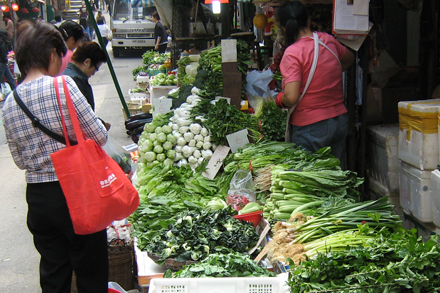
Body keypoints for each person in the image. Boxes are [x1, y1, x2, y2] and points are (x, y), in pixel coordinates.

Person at [2, 20, 108, 292]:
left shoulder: (11, 101)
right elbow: (99, 136)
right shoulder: (64, 86)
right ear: (51, 54)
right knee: (90, 272)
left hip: (39, 198)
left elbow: (20, 160)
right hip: (77, 192)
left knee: (53, 271)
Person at [275, 1, 354, 168]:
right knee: (335, 178)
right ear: (308, 21)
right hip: (338, 121)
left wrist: (279, 100)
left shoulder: (293, 53)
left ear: (284, 28)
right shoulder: (327, 41)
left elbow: (291, 96)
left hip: (311, 127)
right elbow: (349, 59)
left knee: (311, 182)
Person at [62, 41, 111, 130]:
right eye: (95, 69)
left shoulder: (64, 74)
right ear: (87, 62)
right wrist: (102, 124)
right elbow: (83, 116)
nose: (93, 73)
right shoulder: (77, 81)